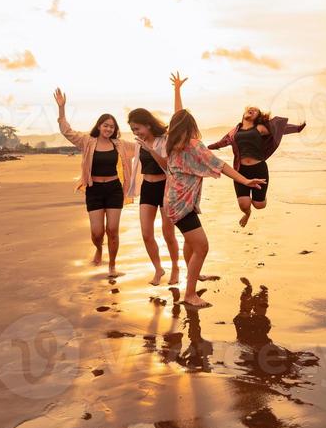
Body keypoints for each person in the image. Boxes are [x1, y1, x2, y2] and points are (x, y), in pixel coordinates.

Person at [140, 109, 266, 309]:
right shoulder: (193, 145)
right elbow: (220, 165)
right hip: (182, 204)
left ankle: (194, 275)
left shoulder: (171, 146)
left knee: (191, 243)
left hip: (172, 202)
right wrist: (245, 180)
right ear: (191, 127)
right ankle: (190, 294)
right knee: (202, 246)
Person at [54, 88, 135, 277]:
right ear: (99, 126)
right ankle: (99, 249)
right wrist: (62, 108)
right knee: (97, 232)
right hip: (94, 190)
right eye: (105, 125)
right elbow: (66, 131)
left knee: (112, 229)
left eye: (112, 127)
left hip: (114, 189)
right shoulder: (86, 141)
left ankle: (112, 265)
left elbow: (143, 147)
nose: (108, 129)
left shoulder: (120, 144)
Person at [128, 71, 186, 286]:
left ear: (148, 125)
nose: (136, 132)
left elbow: (165, 165)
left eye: (137, 128)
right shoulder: (138, 143)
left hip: (165, 188)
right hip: (147, 190)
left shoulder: (165, 139)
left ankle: (175, 268)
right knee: (146, 233)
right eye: (133, 130)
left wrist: (177, 90)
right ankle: (158, 269)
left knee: (168, 232)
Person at [208, 107, 306, 227]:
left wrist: (297, 128)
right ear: (244, 114)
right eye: (250, 109)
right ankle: (247, 214)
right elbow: (222, 142)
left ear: (257, 117)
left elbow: (279, 128)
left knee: (259, 205)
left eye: (255, 111)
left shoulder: (260, 128)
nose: (252, 111)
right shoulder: (234, 131)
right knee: (244, 204)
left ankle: (261, 198)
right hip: (241, 170)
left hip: (259, 169)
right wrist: (207, 148)